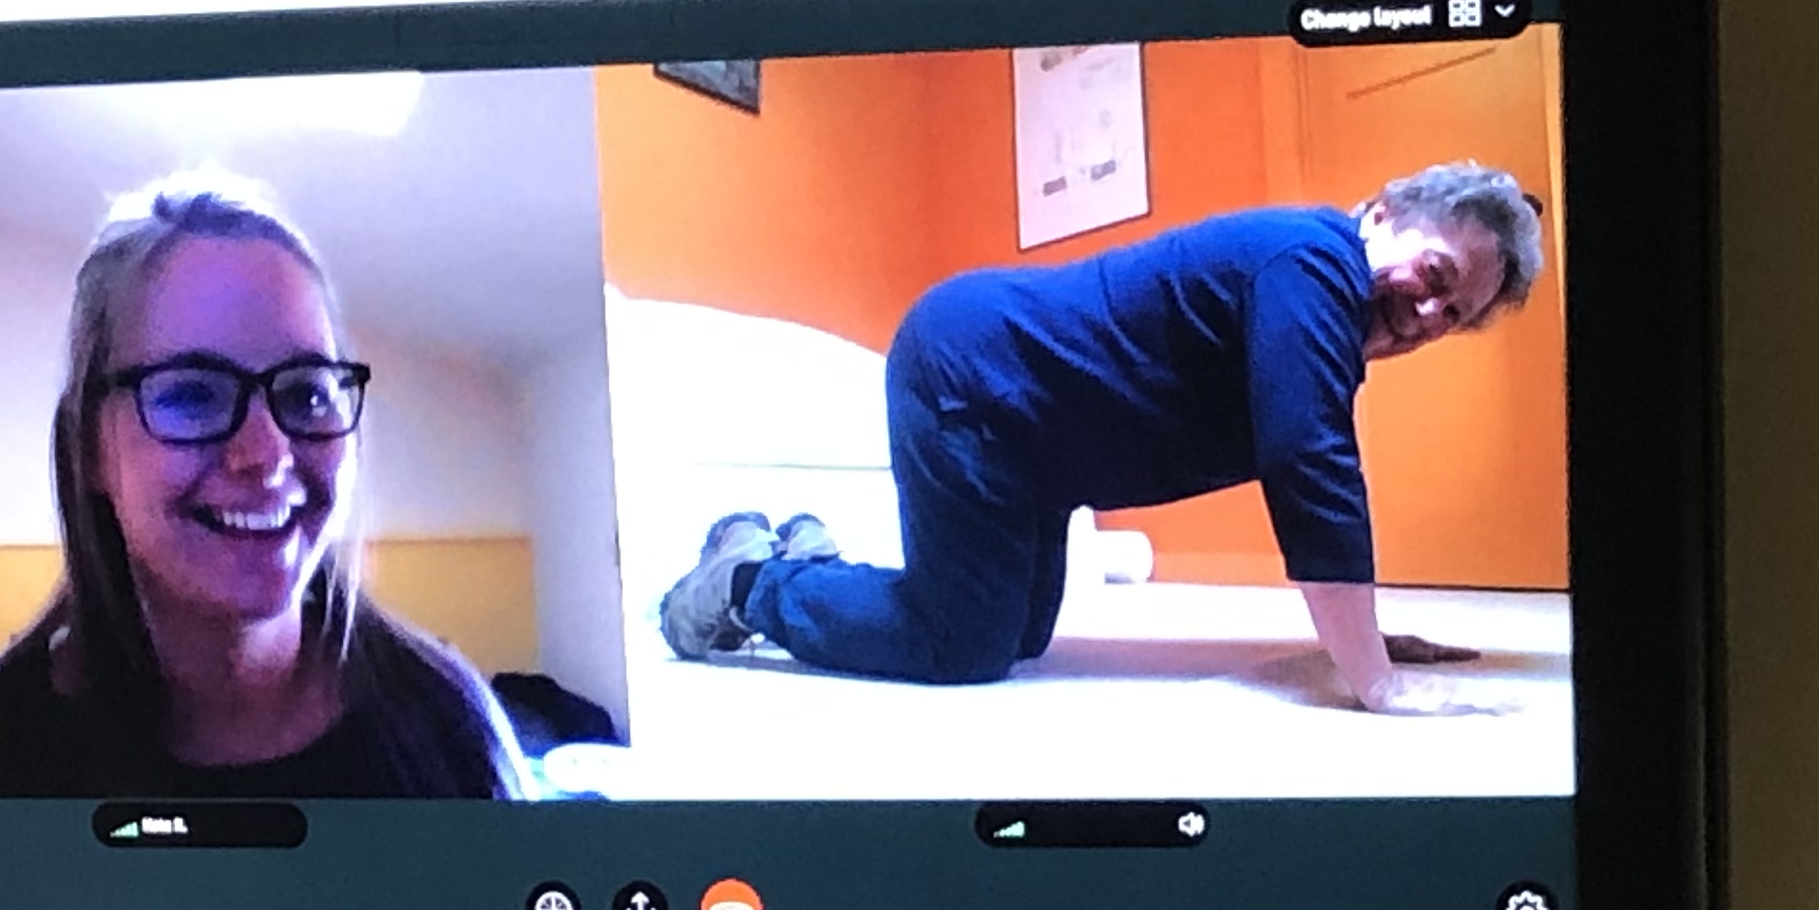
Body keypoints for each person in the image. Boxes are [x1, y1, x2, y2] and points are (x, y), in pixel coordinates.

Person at [656, 162, 1544, 712]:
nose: (1432, 314)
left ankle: (808, 558)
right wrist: (1372, 677)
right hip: (977, 378)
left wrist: (1368, 640)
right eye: (1436, 276)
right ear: (1382, 214)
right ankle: (746, 581)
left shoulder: (1318, 297)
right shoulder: (1313, 261)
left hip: (1035, 445)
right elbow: (1310, 459)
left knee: (1018, 639)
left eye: (1455, 315)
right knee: (960, 649)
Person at [0, 181, 533, 800]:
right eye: (193, 395)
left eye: (306, 393)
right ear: (88, 449)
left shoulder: (447, 732)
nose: (267, 454)